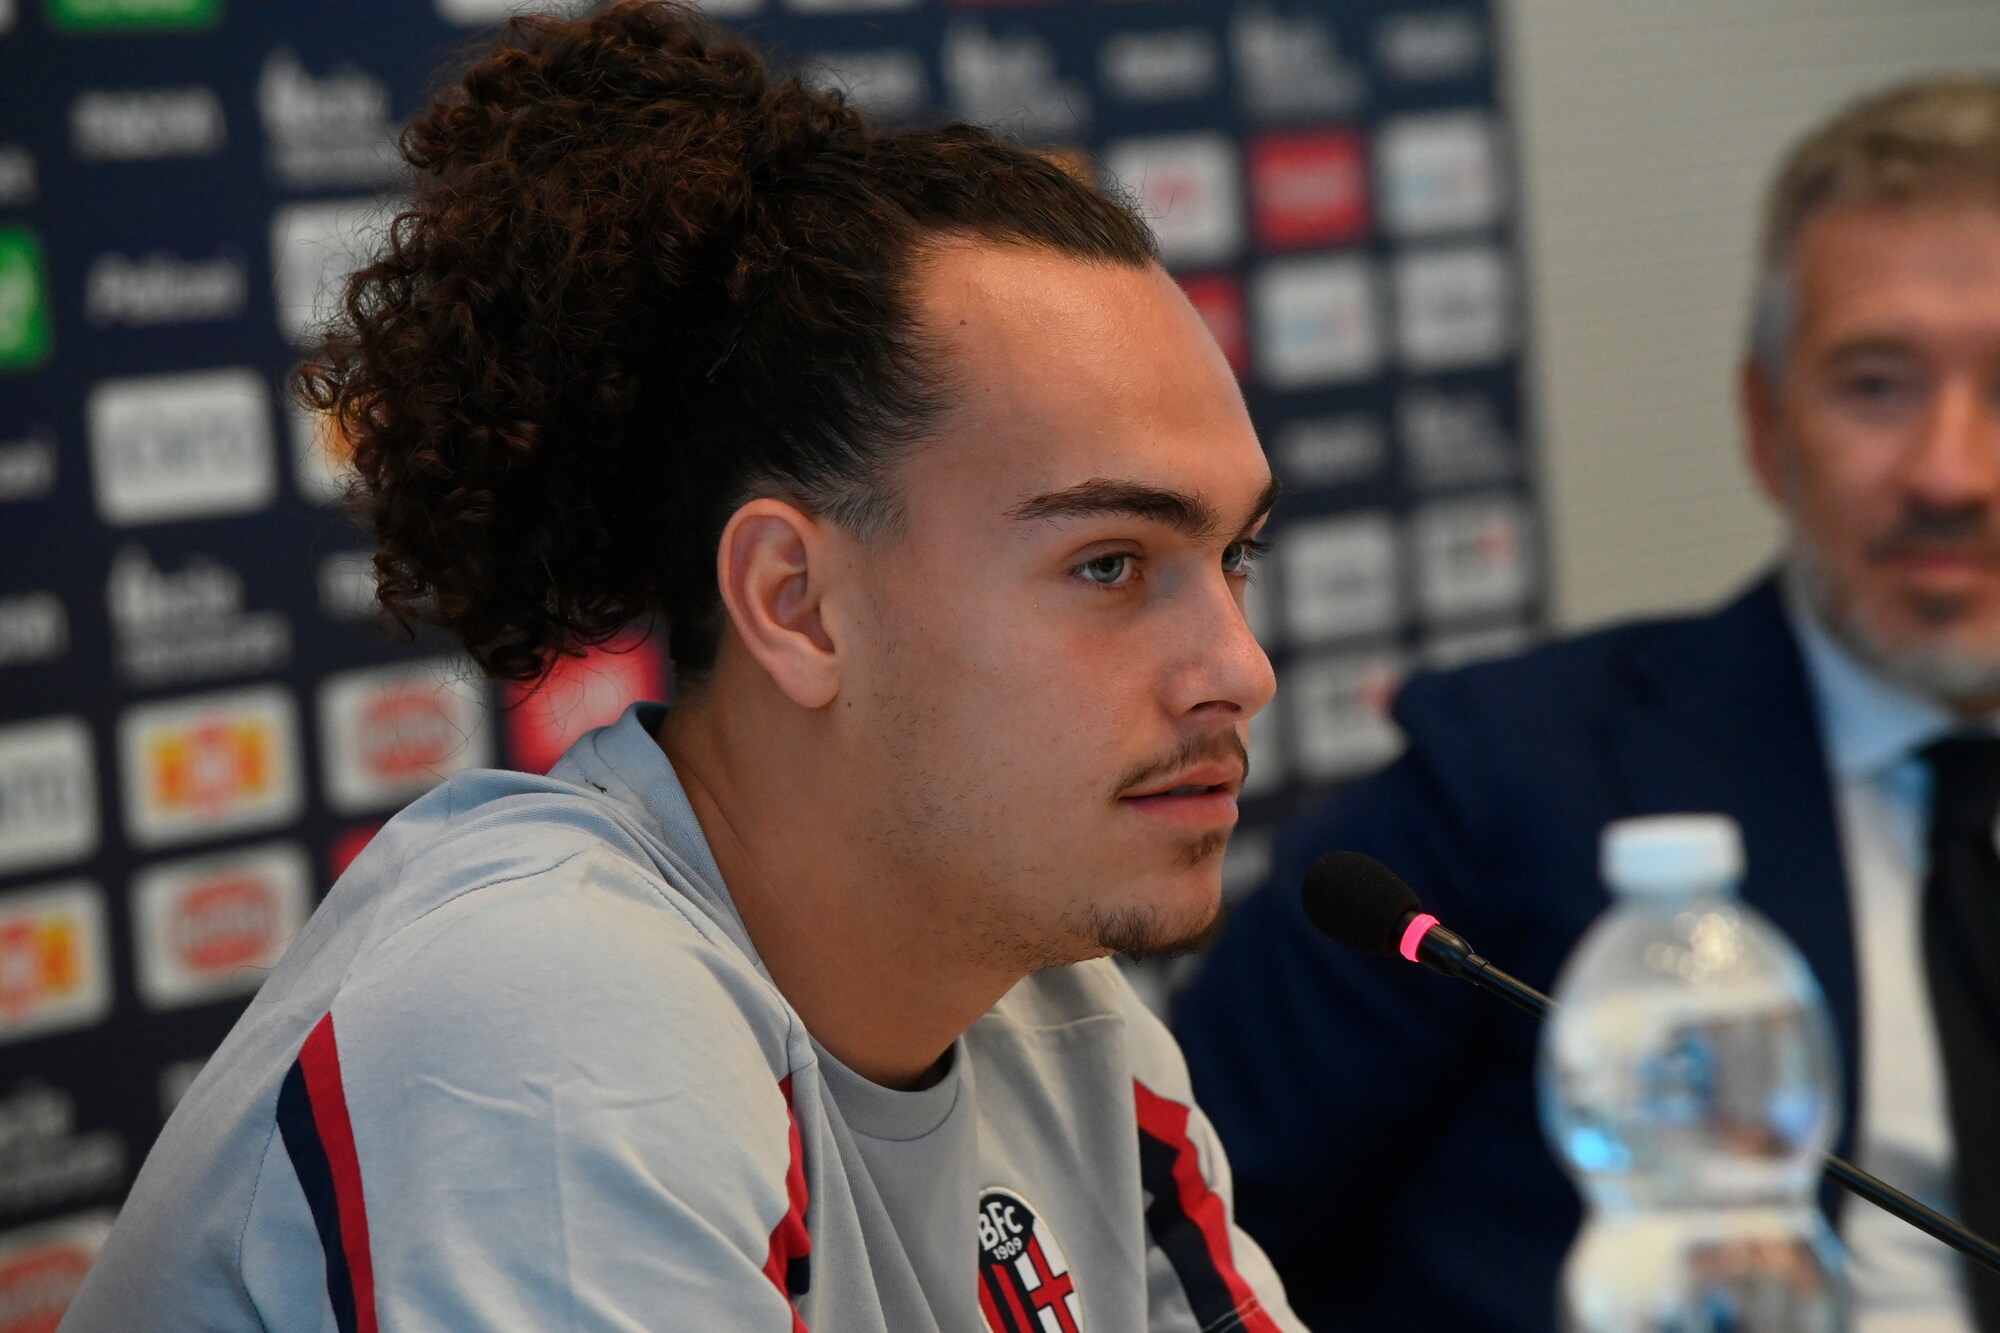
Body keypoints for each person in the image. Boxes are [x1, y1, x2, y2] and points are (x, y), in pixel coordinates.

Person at [61, 5, 1303, 1330]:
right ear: (796, 606)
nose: (1239, 668)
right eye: (1109, 564)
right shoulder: (545, 1014)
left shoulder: (1065, 1023)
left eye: (1234, 556)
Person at [1175, 76, 2000, 1333]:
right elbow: (1185, 1234)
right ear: (1763, 423)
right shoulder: (1503, 782)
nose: (1949, 472)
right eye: (1874, 384)